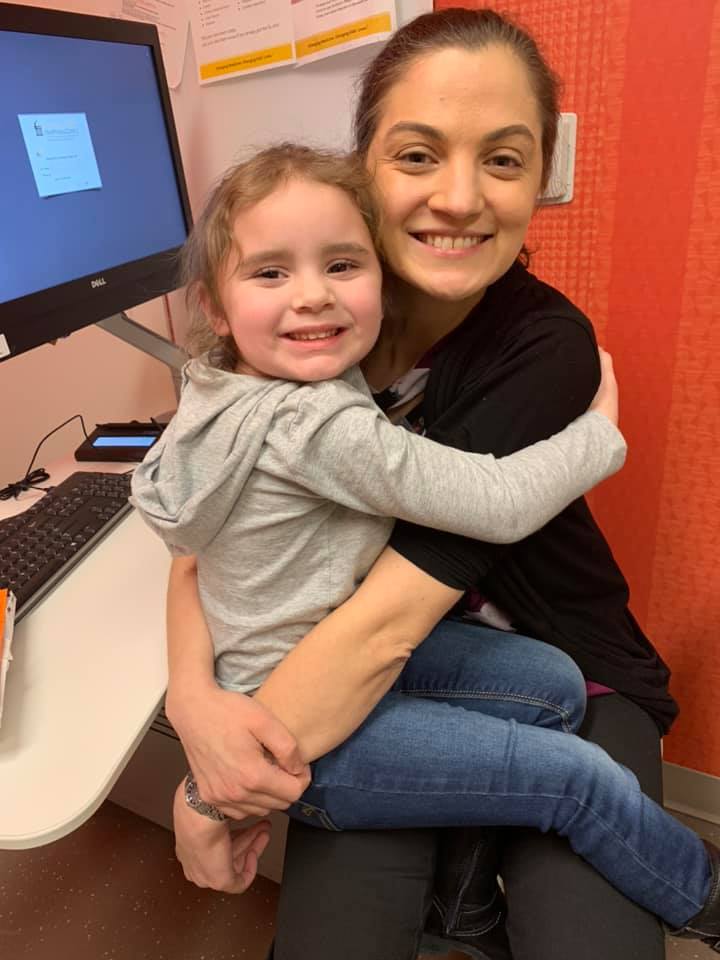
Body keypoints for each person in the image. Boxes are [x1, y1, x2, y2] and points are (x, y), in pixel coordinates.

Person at [159, 9, 719, 960]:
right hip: (348, 673)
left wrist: (210, 790)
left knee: (590, 919)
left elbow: (388, 623)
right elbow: (200, 542)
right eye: (418, 155)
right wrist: (194, 706)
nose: (459, 197)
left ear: (539, 181)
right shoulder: (310, 338)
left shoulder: (544, 348)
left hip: (547, 662)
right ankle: (465, 896)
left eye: (502, 160)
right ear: (362, 168)